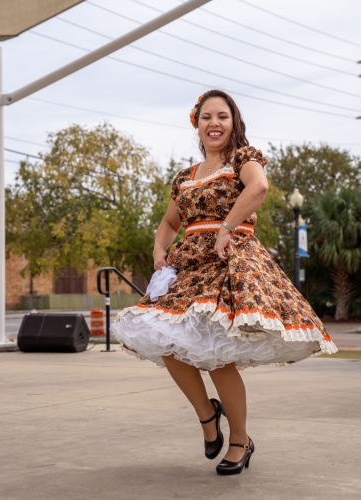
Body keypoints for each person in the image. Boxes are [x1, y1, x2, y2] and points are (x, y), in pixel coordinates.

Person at [112, 89, 337, 476]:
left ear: (234, 123)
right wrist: (158, 251)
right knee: (165, 339)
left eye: (222, 116)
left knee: (218, 358)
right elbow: (169, 223)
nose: (214, 123)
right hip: (189, 267)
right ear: (196, 125)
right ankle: (207, 415)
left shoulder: (243, 158)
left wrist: (227, 228)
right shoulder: (185, 177)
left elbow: (259, 188)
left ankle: (240, 440)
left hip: (229, 262)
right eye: (206, 117)